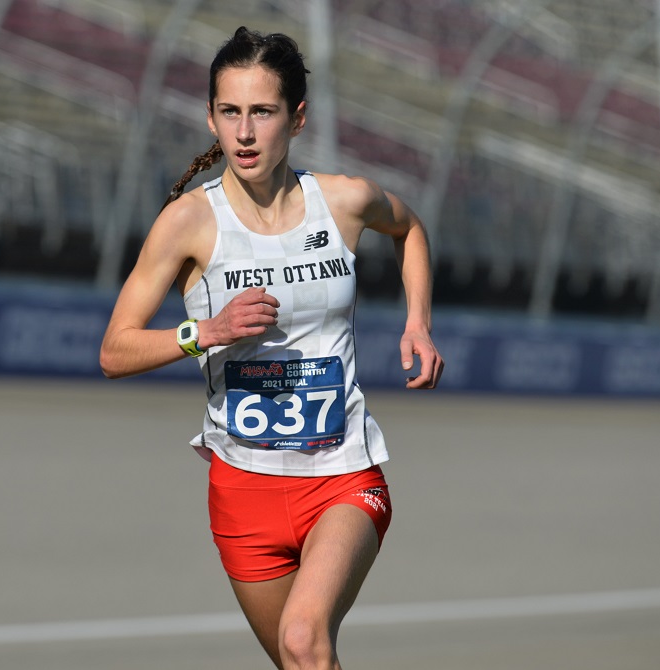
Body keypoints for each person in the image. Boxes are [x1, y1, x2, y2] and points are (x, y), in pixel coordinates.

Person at [100, 26, 443, 670]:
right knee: (302, 663)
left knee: (302, 639)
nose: (245, 133)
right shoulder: (188, 223)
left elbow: (411, 228)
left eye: (263, 112)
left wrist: (417, 322)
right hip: (243, 491)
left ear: (298, 117)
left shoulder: (343, 201)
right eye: (230, 112)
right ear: (211, 116)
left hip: (342, 475)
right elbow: (114, 351)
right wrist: (206, 331)